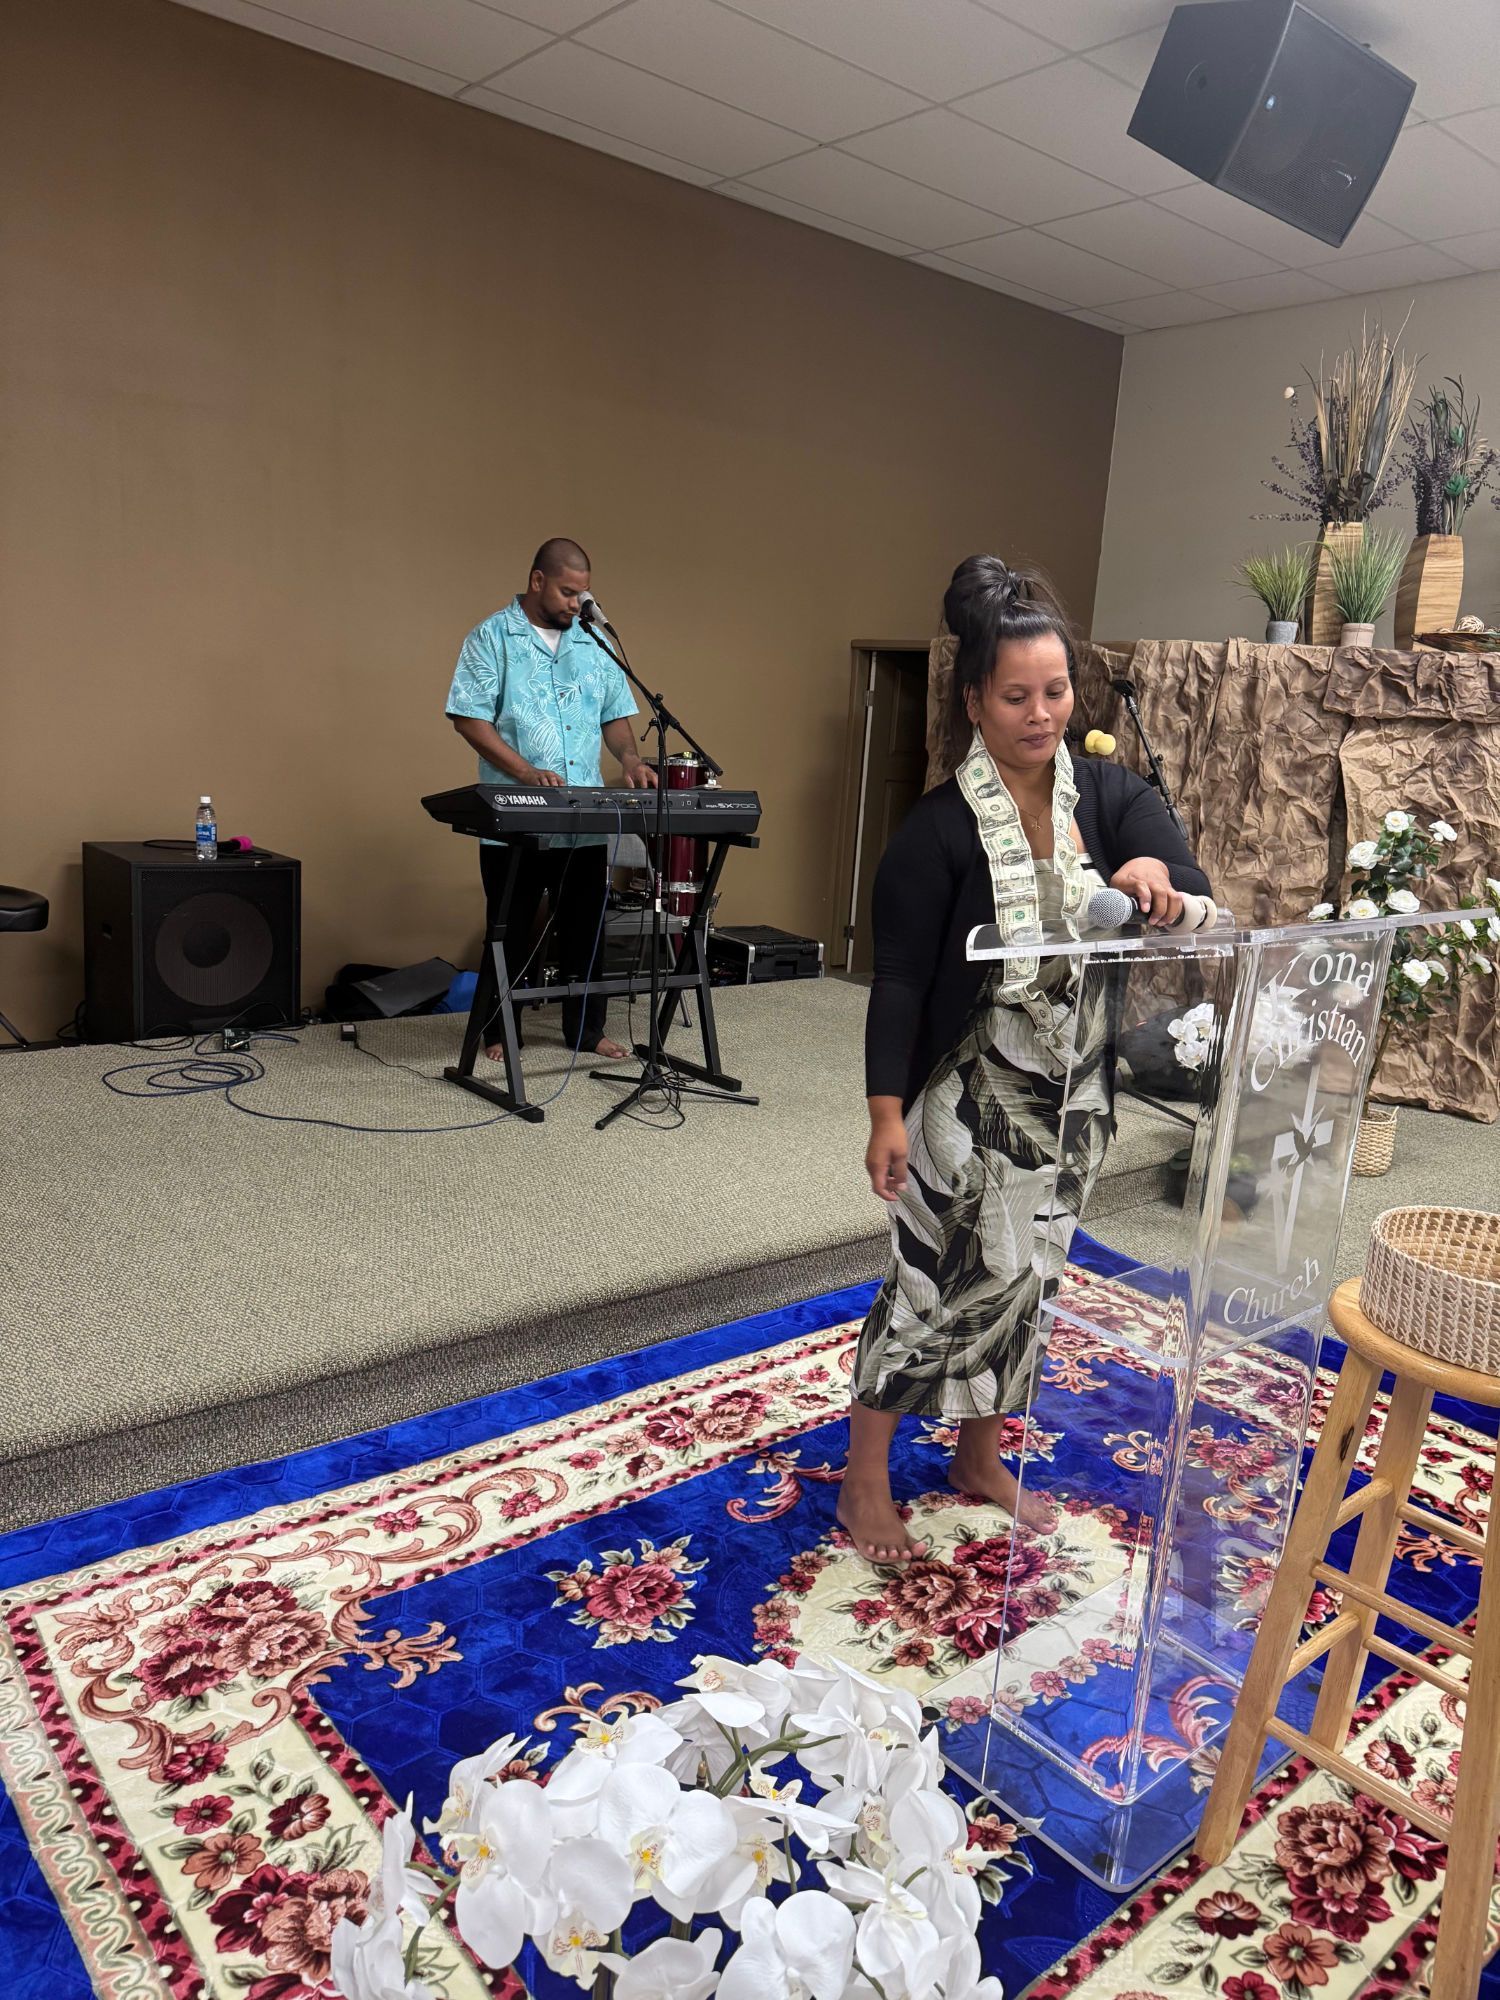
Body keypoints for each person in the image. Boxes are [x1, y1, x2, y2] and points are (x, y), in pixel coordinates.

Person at [838, 555, 1212, 1565]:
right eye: (1016, 695)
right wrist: (884, 1112)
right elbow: (904, 981)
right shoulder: (937, 830)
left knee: (1030, 1280)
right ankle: (864, 1478)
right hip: (970, 1091)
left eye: (1056, 691)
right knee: (928, 1280)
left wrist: (1151, 872)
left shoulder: (1109, 792)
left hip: (1074, 1092)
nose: (1041, 713)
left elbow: (1180, 865)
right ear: (974, 701)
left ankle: (978, 1454)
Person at [445, 538, 657, 1061]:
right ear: (537, 580)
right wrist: (522, 771)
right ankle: (500, 1030)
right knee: (512, 928)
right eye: (567, 592)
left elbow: (615, 718)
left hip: (582, 818)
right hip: (515, 819)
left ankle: (585, 1031)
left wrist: (629, 759)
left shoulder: (592, 643)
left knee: (586, 927)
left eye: (583, 594)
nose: (575, 603)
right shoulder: (491, 637)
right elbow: (467, 715)